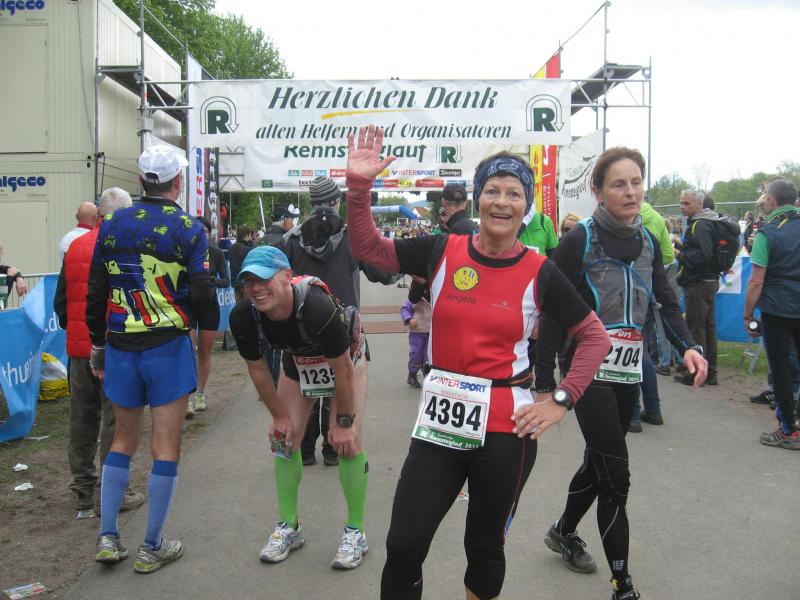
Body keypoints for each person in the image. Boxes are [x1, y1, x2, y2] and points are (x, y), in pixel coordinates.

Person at [345, 125, 610, 600]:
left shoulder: (540, 270)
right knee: (403, 544)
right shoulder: (441, 249)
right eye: (492, 190)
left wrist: (561, 399)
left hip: (507, 431)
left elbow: (594, 337)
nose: (502, 202)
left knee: (485, 549)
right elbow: (369, 249)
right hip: (441, 422)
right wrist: (359, 189)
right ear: (477, 198)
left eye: (514, 193)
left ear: (526, 206)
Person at [537, 147, 707, 600]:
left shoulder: (647, 240)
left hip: (629, 372)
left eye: (636, 182)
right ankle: (623, 586)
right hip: (585, 371)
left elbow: (666, 300)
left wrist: (689, 347)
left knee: (600, 464)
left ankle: (562, 531)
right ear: (598, 192)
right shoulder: (579, 240)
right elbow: (552, 311)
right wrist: (543, 382)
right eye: (619, 184)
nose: (631, 191)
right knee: (617, 477)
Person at [87, 144, 216, 573]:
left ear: (141, 180)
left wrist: (98, 343)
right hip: (167, 346)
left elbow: (97, 291)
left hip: (121, 345)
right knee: (165, 445)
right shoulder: (189, 227)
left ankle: (108, 537)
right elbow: (203, 292)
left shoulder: (111, 223)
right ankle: (151, 545)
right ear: (179, 181)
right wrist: (195, 325)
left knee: (122, 441)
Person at [228, 246, 371, 569]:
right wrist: (279, 417)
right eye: (249, 282)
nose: (256, 289)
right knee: (284, 439)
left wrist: (344, 422)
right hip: (299, 362)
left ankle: (356, 531)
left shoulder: (316, 307)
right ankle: (289, 526)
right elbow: (258, 369)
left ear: (287, 277)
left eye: (263, 279)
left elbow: (342, 371)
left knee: (347, 442)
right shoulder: (244, 315)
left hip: (345, 362)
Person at [282, 175, 398, 467]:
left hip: (301, 326)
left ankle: (304, 449)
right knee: (340, 382)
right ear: (337, 201)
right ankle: (334, 448)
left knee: (306, 384)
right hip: (344, 326)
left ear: (311, 203)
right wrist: (401, 269)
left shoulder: (291, 240)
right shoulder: (352, 237)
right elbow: (381, 272)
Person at [54, 187, 144, 514]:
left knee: (81, 418)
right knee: (116, 420)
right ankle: (113, 491)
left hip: (79, 348)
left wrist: (77, 331)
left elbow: (61, 303)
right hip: (115, 346)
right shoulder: (126, 247)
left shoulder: (75, 247)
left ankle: (82, 488)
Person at [743, 178, 800, 450]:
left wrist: (747, 314)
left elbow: (756, 281)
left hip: (778, 308)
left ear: (772, 200)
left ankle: (788, 429)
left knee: (780, 369)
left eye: (765, 195)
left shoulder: (767, 233)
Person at [187, 216, 230, 417]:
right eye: (197, 230)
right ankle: (187, 398)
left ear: (209, 233)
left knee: (204, 352)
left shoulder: (215, 252)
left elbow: (226, 280)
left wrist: (211, 281)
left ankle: (200, 394)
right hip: (188, 306)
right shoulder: (184, 250)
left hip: (209, 306)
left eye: (204, 231)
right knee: (189, 351)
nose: (201, 234)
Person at [675, 188, 719, 386]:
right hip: (709, 280)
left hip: (698, 281)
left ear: (699, 205)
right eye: (681, 203)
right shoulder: (709, 222)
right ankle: (711, 372)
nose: (682, 207)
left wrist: (680, 254)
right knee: (708, 328)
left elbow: (702, 255)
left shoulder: (700, 224)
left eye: (687, 203)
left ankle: (695, 373)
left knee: (696, 328)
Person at [400, 278, 431, 389]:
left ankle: (428, 375)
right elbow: (405, 309)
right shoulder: (414, 297)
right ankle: (412, 374)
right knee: (416, 354)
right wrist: (409, 319)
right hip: (417, 331)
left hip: (431, 331)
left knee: (428, 355)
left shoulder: (434, 296)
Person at [229, 225, 254, 301]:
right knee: (248, 304)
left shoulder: (232, 247)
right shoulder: (248, 249)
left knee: (239, 305)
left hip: (235, 281)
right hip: (246, 281)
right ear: (247, 234)